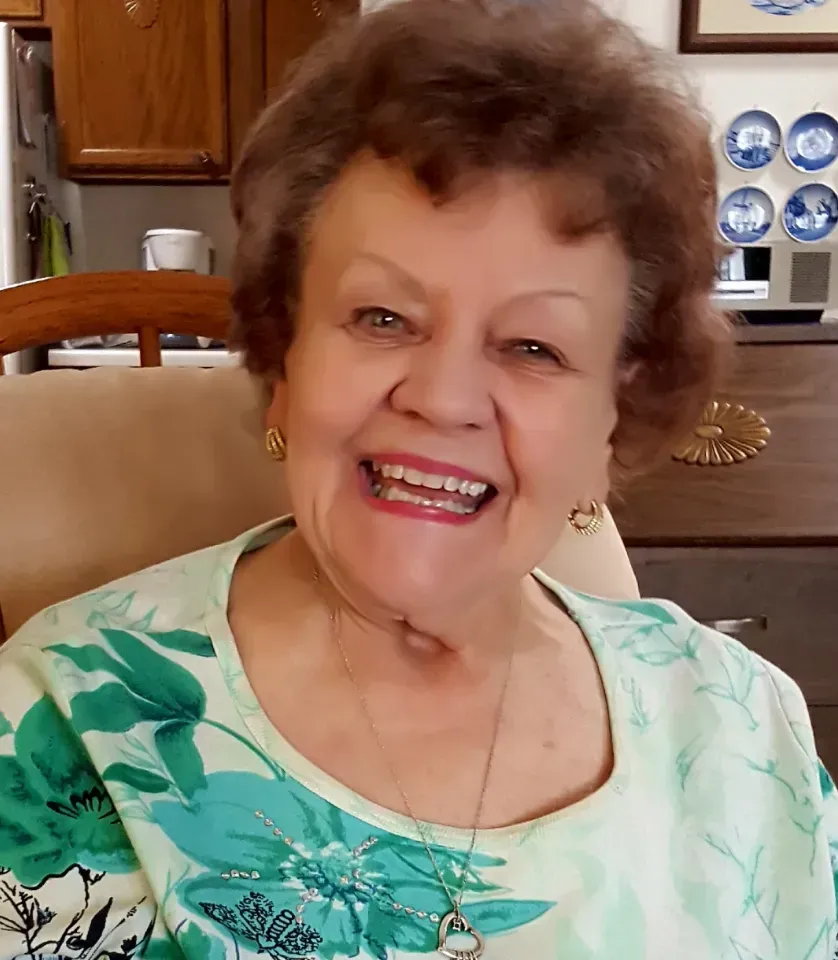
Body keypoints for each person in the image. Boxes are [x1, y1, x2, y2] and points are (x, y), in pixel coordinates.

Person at [1, 1, 836, 958]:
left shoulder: (740, 725)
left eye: (533, 345)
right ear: (284, 363)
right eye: (383, 319)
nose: (444, 400)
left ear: (613, 422)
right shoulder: (63, 723)